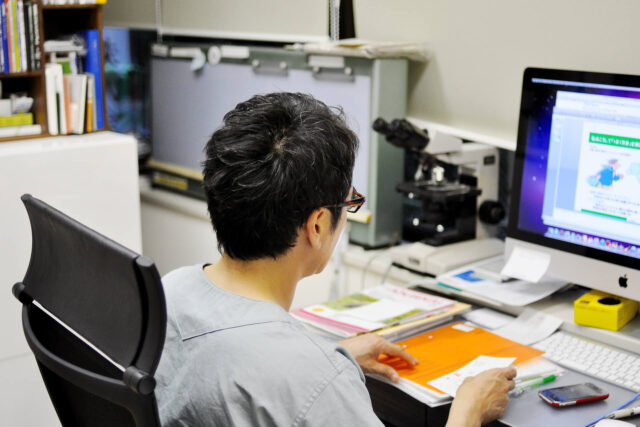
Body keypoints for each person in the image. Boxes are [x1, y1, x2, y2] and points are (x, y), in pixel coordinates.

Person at [154, 92, 516, 426]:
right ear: (317, 225)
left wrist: (333, 355)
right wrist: (468, 410)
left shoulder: (169, 291)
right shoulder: (317, 380)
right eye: (349, 202)